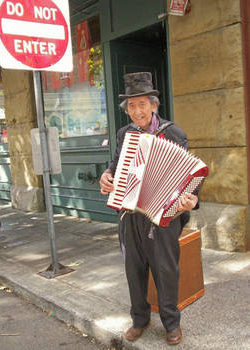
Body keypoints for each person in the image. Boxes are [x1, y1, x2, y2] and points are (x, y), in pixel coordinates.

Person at [99, 72, 198, 345]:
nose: (137, 111)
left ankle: (171, 323)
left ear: (153, 105)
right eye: (131, 105)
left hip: (163, 216)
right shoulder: (124, 133)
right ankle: (140, 319)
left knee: (166, 270)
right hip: (131, 214)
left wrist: (191, 199)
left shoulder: (173, 133)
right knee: (134, 269)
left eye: (142, 104)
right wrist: (107, 176)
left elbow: (189, 174)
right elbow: (117, 164)